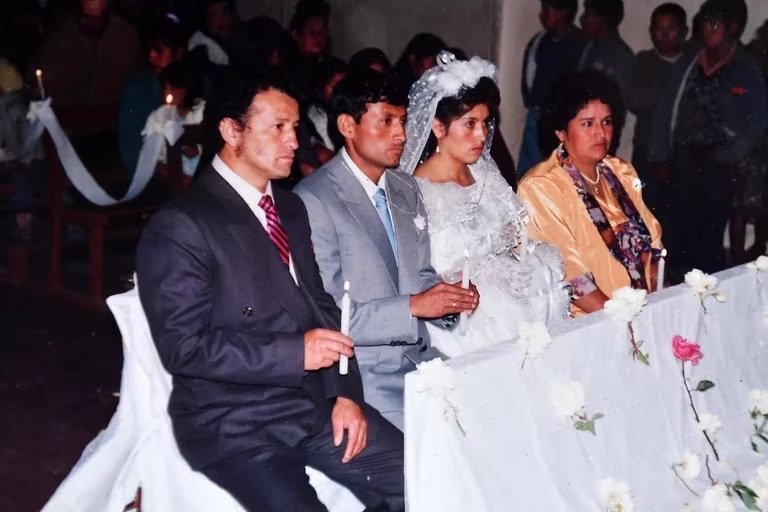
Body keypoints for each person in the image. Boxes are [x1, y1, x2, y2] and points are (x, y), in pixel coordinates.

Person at [136, 72, 405, 511]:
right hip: (234, 421)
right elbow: (184, 348)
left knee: (425, 479)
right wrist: (296, 353)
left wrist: (345, 393)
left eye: (295, 127)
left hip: (309, 404)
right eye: (278, 127)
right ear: (231, 131)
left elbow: (322, 307)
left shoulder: (289, 207)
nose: (294, 141)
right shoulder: (183, 224)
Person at [294, 68, 478, 429]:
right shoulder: (315, 199)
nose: (402, 135)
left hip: (421, 361)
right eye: (387, 121)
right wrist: (414, 306)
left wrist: (449, 300)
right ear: (347, 126)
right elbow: (330, 315)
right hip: (362, 376)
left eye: (403, 121)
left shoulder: (404, 188)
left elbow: (420, 274)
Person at [396, 52, 570, 357]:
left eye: (486, 123)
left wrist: (525, 264)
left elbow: (516, 237)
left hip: (511, 299)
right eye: (469, 124)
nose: (481, 135)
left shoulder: (485, 174)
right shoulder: (415, 191)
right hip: (462, 317)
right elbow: (417, 272)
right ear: (438, 127)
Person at [518, 71, 664, 316]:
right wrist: (622, 322)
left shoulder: (621, 172)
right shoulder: (541, 186)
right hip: (590, 320)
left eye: (607, 122)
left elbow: (653, 245)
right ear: (561, 132)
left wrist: (662, 303)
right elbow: (569, 275)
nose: (601, 133)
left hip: (641, 311)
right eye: (587, 123)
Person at [649, 0, 766, 277]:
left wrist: (734, 151)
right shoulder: (689, 60)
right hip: (682, 159)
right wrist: (659, 154)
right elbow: (665, 108)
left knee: (709, 241)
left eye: (715, 24)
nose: (707, 29)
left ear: (732, 28)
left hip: (718, 164)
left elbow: (759, 119)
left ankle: (704, 293)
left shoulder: (745, 68)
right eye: (705, 22)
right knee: (675, 234)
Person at [626, 3, 688, 214]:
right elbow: (634, 100)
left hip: (679, 153)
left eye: (671, 29)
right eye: (659, 29)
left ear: (684, 31)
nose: (664, 35)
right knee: (643, 207)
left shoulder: (692, 63)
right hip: (646, 149)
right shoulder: (643, 61)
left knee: (675, 212)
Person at [29, 0, 142, 108]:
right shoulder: (59, 37)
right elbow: (45, 91)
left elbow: (137, 89)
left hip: (115, 117)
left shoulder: (126, 34)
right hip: (68, 118)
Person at [518, 0, 584, 177]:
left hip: (562, 122)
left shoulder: (579, 44)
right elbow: (529, 76)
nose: (542, 15)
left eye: (547, 10)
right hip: (537, 117)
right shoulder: (540, 41)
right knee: (528, 174)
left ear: (563, 13)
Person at [119, 15, 185, 172]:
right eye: (148, 50)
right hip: (150, 173)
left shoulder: (197, 84)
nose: (152, 56)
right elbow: (130, 145)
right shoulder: (137, 88)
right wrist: (157, 171)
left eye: (159, 50)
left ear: (179, 52)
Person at [578, 0, 633, 146]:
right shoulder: (589, 47)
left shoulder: (621, 56)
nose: (582, 19)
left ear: (602, 20)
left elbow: (619, 104)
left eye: (588, 15)